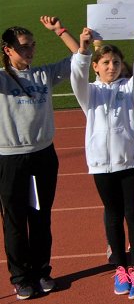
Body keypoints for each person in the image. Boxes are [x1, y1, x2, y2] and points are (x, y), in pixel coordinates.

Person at [70, 25, 134, 298]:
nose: (111, 66)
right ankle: (121, 268)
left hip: (130, 162)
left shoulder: (130, 90)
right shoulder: (89, 93)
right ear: (95, 66)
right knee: (113, 215)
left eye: (116, 62)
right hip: (101, 164)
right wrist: (82, 50)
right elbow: (77, 78)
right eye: (105, 62)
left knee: (133, 214)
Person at [0, 17, 79, 299]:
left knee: (41, 217)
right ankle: (21, 277)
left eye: (32, 45)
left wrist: (60, 30)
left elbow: (80, 56)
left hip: (43, 156)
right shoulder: (1, 78)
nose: (30, 51)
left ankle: (42, 271)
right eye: (23, 47)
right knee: (15, 221)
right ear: (7, 50)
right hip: (10, 159)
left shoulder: (43, 75)